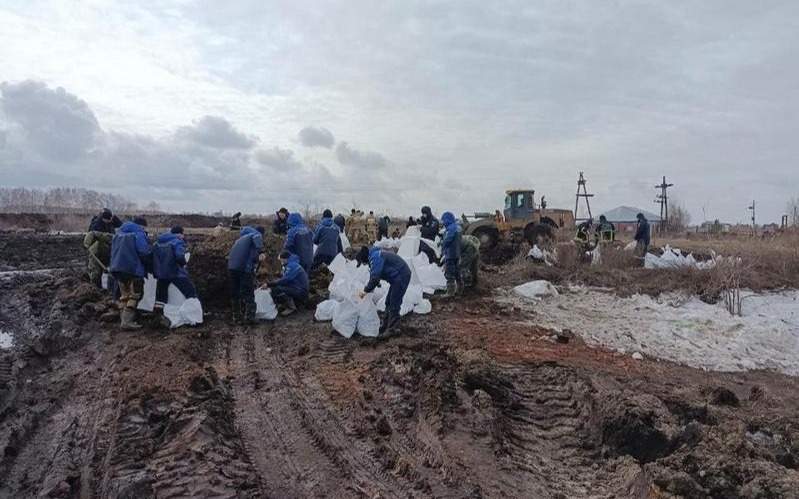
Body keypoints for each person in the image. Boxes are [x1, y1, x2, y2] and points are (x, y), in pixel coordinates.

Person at [356, 246, 411, 336]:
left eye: (363, 263)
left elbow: (374, 277)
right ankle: (385, 325)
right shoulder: (374, 254)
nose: (365, 264)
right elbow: (375, 274)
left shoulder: (375, 257)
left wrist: (365, 291)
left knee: (394, 302)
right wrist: (374, 283)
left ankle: (393, 329)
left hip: (401, 275)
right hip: (396, 278)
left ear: (365, 258)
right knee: (388, 302)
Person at [109, 217, 152, 330]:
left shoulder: (118, 233)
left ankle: (123, 317)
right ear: (141, 226)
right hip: (132, 269)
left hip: (117, 269)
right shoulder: (139, 233)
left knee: (124, 295)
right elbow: (143, 252)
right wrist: (150, 265)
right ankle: (127, 322)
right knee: (135, 295)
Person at [152, 226, 197, 328]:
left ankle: (157, 316)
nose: (183, 236)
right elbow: (180, 256)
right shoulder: (177, 242)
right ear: (179, 234)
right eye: (182, 234)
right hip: (175, 272)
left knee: (161, 296)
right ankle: (195, 314)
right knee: (190, 291)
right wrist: (184, 263)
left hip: (161, 274)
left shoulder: (158, 242)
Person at [228, 226, 266, 325]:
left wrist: (256, 260)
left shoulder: (240, 240)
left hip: (232, 267)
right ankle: (250, 317)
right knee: (248, 291)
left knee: (235, 291)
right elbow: (257, 237)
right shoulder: (255, 234)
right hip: (244, 268)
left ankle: (236, 317)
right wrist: (261, 252)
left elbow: (251, 256)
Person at [265, 251, 309, 316]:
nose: (280, 262)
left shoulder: (292, 265)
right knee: (278, 287)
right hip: (298, 288)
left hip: (300, 290)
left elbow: (286, 280)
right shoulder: (292, 264)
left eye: (281, 260)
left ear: (285, 259)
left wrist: (269, 284)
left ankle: (291, 307)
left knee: (277, 289)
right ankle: (290, 304)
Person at [440, 211, 463, 297]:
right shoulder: (458, 227)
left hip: (450, 254)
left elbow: (448, 240)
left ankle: (450, 292)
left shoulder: (451, 229)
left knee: (449, 273)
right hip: (457, 253)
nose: (443, 222)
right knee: (457, 272)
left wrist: (442, 246)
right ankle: (460, 289)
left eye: (443, 220)